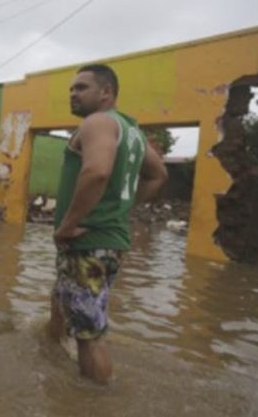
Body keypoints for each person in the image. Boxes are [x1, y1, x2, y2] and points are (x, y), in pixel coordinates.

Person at [46, 64, 168, 385]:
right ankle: (47, 355)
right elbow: (158, 175)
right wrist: (120, 207)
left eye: (81, 88)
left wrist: (68, 226)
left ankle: (97, 402)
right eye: (71, 88)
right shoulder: (132, 132)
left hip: (86, 241)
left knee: (89, 335)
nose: (73, 93)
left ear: (106, 92)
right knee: (60, 299)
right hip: (108, 244)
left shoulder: (97, 122)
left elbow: (97, 171)